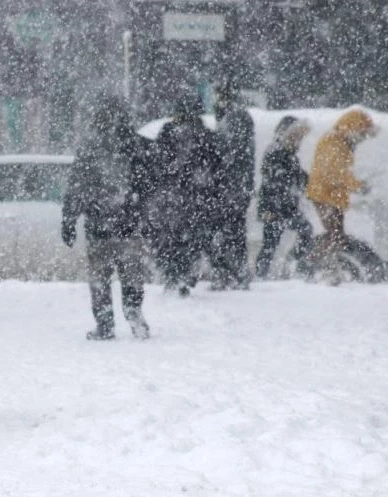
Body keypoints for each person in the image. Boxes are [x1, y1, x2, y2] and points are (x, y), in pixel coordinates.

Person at [61, 95, 153, 341]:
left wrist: (69, 220)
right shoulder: (136, 146)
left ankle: (104, 323)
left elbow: (76, 188)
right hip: (130, 224)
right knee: (132, 276)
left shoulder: (90, 149)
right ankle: (134, 314)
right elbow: (148, 187)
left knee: (100, 278)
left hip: (99, 224)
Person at [147, 92, 221, 297]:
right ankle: (186, 274)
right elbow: (217, 169)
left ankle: (172, 275)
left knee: (168, 240)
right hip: (197, 199)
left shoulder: (167, 132)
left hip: (171, 199)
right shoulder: (206, 135)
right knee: (193, 239)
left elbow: (156, 165)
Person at [305, 109, 376, 284]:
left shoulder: (342, 142)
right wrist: (357, 185)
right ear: (353, 128)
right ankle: (312, 266)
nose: (362, 138)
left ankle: (326, 267)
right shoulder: (333, 142)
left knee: (337, 237)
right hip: (325, 196)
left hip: (332, 196)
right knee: (335, 237)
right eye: (362, 134)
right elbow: (335, 172)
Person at [255, 116, 313, 279]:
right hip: (273, 207)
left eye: (300, 137)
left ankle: (292, 261)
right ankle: (263, 274)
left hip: (286, 207)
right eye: (295, 136)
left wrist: (310, 182)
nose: (298, 141)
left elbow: (298, 177)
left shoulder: (289, 154)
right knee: (270, 244)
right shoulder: (275, 152)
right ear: (285, 134)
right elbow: (276, 181)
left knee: (303, 230)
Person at [211, 81, 255, 290]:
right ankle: (233, 273)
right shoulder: (236, 116)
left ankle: (231, 274)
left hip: (231, 186)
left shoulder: (234, 118)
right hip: (235, 186)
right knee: (231, 230)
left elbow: (229, 152)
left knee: (229, 230)